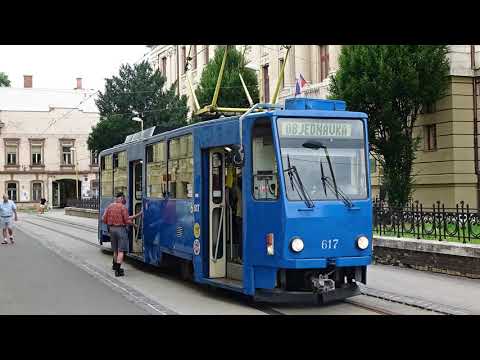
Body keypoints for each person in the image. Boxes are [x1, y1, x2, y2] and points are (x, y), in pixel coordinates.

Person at [102, 192, 136, 277]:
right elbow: (127, 221)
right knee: (121, 250)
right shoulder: (123, 208)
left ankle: (114, 266)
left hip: (112, 229)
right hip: (121, 230)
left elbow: (103, 219)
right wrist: (134, 225)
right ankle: (118, 270)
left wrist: (110, 224)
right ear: (121, 198)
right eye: (124, 198)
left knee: (115, 250)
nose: (125, 200)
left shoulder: (110, 206)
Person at [231, 175, 243, 263]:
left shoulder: (236, 189)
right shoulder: (242, 190)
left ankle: (240, 256)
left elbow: (232, 200)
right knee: (242, 237)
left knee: (241, 237)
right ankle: (240, 256)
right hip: (241, 216)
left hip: (239, 216)